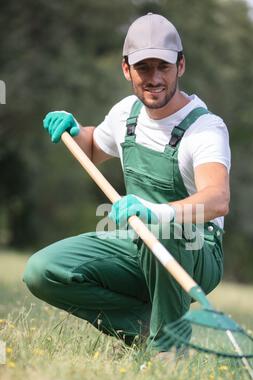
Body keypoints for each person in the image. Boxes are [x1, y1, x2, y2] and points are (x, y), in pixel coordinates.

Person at [23, 13, 231, 353]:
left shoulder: (205, 128)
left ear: (180, 66)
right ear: (126, 69)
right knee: (43, 270)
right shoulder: (125, 114)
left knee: (164, 230)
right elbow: (93, 147)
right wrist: (76, 130)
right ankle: (146, 328)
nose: (154, 78)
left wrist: (155, 212)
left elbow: (217, 199)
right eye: (143, 67)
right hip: (136, 241)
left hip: (196, 248)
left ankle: (168, 354)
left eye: (163, 66)